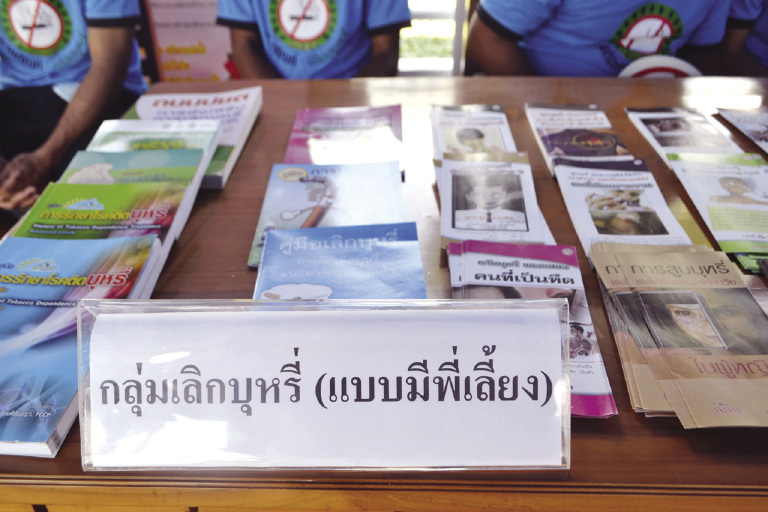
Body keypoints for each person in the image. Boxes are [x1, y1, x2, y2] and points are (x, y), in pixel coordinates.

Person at [0, 0, 148, 210]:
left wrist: (45, 158)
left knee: (93, 187)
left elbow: (108, 64)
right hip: (13, 98)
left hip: (98, 97)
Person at [466, 0, 734, 76]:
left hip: (649, 113)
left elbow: (703, 60)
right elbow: (485, 40)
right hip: (545, 105)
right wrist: (543, 106)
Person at [216, 0, 411, 79]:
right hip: (274, 97)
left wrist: (344, 109)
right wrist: (283, 104)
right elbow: (244, 45)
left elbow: (385, 55)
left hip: (352, 100)